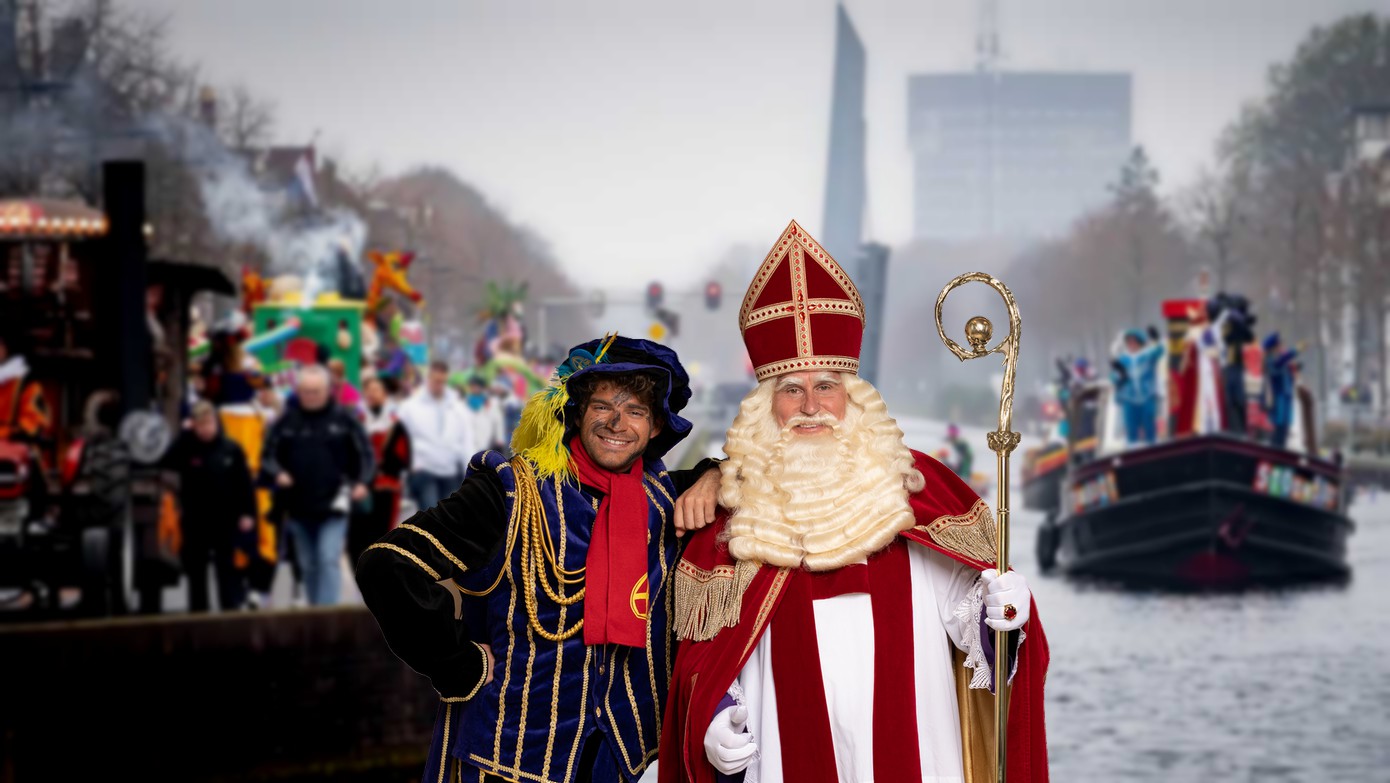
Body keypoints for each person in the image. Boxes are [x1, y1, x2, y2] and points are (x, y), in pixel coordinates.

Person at [661, 221, 1047, 783]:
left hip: (919, 750)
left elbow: (971, 625)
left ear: (853, 396)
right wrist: (716, 719)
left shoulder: (918, 487)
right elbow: (707, 660)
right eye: (791, 389)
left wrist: (1003, 615)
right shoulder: (731, 513)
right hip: (782, 753)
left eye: (827, 386)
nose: (811, 405)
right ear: (767, 405)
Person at [357, 335, 723, 783]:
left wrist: (717, 473)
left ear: (655, 429)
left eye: (636, 411)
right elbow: (388, 564)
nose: (617, 422)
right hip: (510, 759)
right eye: (602, 406)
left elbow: (759, 473)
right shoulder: (509, 492)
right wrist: (457, 665)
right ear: (577, 414)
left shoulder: (670, 499)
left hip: (626, 759)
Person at [260, 365, 374, 606]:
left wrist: (362, 482)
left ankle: (327, 616)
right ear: (298, 391)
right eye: (306, 391)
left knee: (327, 557)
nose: (311, 396)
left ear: (327, 391)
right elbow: (267, 455)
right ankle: (316, 612)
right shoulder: (286, 423)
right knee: (308, 564)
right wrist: (278, 472)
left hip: (335, 501)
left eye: (316, 391)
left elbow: (366, 454)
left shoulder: (345, 420)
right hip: (298, 505)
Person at [163, 402, 258, 612]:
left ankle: (229, 610)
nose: (206, 429)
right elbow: (166, 461)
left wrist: (247, 514)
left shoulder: (231, 448)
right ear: (194, 426)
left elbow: (244, 484)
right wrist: (184, 435)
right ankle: (198, 614)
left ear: (216, 423)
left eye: (209, 424)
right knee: (196, 570)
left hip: (225, 519)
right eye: (200, 425)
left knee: (226, 568)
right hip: (195, 519)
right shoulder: (187, 448)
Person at [347, 376, 411, 564]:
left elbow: (403, 458)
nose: (372, 394)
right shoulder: (356, 421)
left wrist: (380, 469)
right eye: (369, 390)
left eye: (377, 390)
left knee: (380, 537)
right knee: (356, 538)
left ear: (385, 394)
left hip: (385, 488)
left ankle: (376, 578)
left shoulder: (394, 424)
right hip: (359, 488)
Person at [397, 360, 475, 511]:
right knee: (431, 514)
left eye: (443, 381)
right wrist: (406, 470)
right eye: (436, 381)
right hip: (423, 470)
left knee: (450, 517)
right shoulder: (410, 407)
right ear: (428, 379)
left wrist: (471, 474)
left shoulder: (458, 408)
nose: (439, 385)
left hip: (450, 471)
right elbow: (400, 440)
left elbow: (467, 442)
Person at [1111, 327, 1164, 445]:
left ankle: (1153, 450)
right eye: (1129, 341)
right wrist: (1118, 380)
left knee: (1150, 430)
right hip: (1130, 400)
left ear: (1140, 342)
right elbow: (1115, 377)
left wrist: (1156, 339)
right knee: (1131, 431)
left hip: (1147, 396)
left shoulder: (1148, 355)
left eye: (1134, 341)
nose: (1131, 344)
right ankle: (1132, 451)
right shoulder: (1122, 359)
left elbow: (1160, 351)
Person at [1262, 333, 1300, 450]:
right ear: (1273, 347)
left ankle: (1281, 448)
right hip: (1278, 395)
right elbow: (1276, 368)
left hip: (1286, 394)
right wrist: (1293, 352)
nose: (1281, 347)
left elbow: (1288, 374)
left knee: (1285, 426)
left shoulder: (1280, 358)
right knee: (1279, 425)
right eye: (1279, 345)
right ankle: (1276, 450)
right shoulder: (1270, 359)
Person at [462, 372, 507, 451]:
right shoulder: (465, 401)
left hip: (486, 441)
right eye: (472, 386)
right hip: (469, 442)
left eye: (477, 386)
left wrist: (499, 439)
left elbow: (498, 421)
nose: (474, 388)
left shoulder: (491, 402)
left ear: (482, 387)